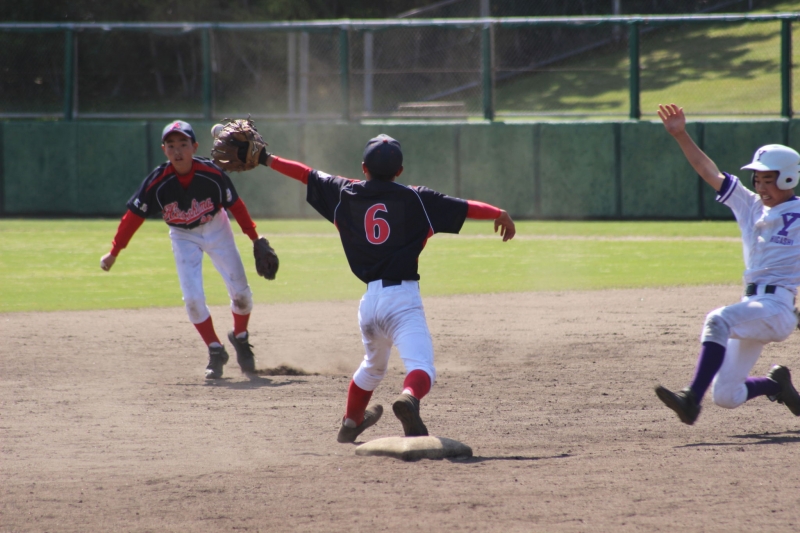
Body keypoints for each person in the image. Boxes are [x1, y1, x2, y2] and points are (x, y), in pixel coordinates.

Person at [258, 134, 515, 442]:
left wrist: (265, 159)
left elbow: (305, 174)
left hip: (369, 305)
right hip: (402, 300)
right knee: (422, 367)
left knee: (372, 368)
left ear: (363, 168)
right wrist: (498, 213)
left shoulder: (344, 193)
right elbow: (466, 207)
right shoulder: (417, 198)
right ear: (400, 171)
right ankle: (409, 398)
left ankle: (351, 422)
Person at [654, 103, 800, 425]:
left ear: (789, 177)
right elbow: (709, 171)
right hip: (753, 305)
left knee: (718, 320)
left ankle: (691, 399)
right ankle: (777, 385)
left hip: (778, 308)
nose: (760, 187)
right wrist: (680, 135)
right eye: (757, 180)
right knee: (726, 395)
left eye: (768, 180)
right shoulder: (751, 206)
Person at [100, 120, 265, 380]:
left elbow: (237, 206)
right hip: (182, 235)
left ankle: (240, 337)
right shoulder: (157, 182)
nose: (177, 151)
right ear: (164, 149)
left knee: (242, 294)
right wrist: (114, 252)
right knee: (192, 300)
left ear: (194, 147)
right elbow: (132, 218)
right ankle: (215, 349)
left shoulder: (212, 174)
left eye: (183, 144)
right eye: (171, 145)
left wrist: (256, 239)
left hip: (216, 228)